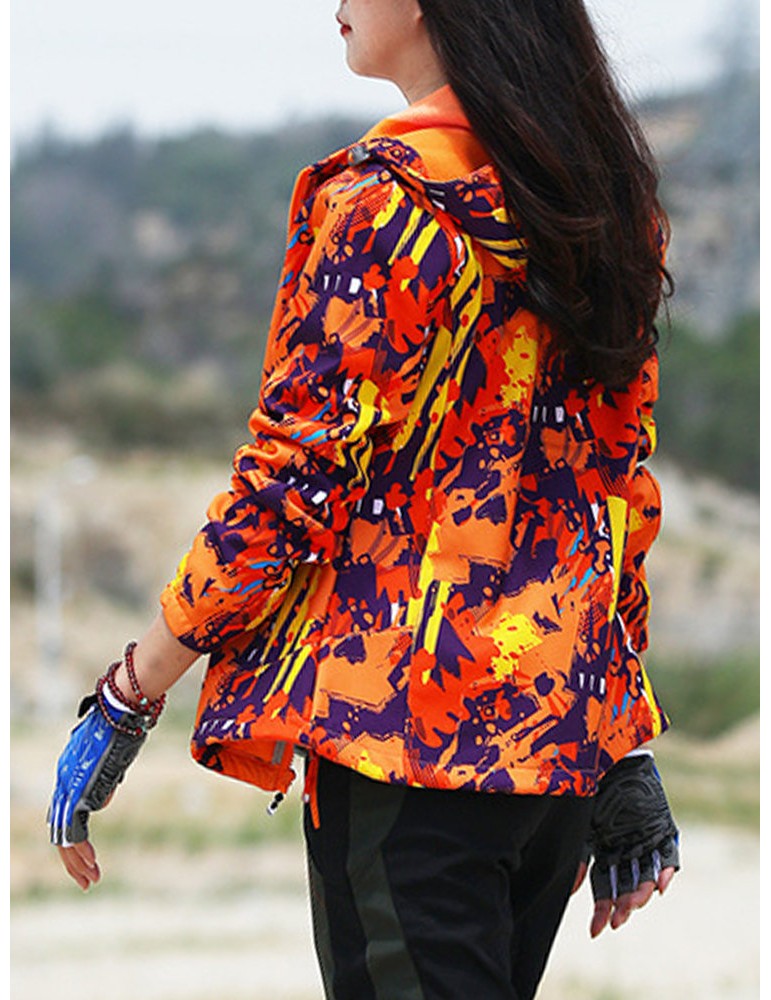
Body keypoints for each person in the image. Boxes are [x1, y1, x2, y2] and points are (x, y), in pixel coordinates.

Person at [48, 1, 680, 997]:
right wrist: (621, 745)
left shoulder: (383, 205)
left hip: (407, 746)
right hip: (551, 752)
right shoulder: (597, 205)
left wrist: (133, 692)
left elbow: (289, 486)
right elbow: (611, 494)